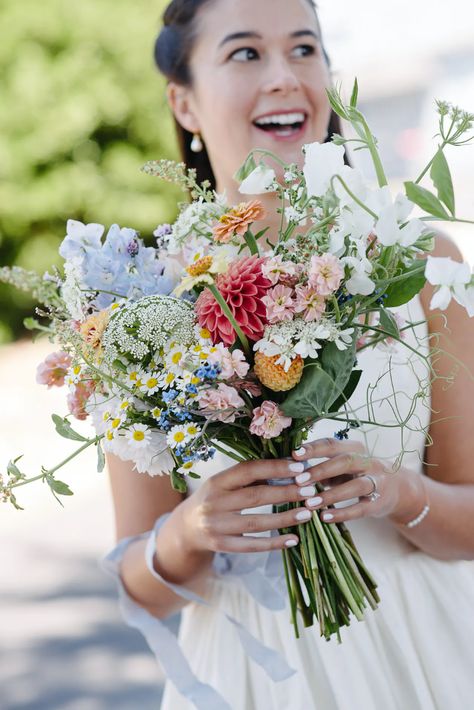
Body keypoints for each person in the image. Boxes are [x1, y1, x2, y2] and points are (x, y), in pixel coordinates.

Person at [104, 1, 474, 708]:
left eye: (305, 49)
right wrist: (190, 531)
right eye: (245, 53)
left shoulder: (418, 261)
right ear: (182, 101)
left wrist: (400, 493)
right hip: (247, 678)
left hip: (427, 658)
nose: (284, 77)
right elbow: (137, 587)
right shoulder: (138, 302)